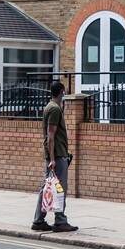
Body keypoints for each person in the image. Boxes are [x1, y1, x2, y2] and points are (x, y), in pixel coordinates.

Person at [31, 81, 78, 233]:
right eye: (65, 93)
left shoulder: (51, 107)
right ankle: (60, 221)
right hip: (57, 155)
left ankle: (39, 221)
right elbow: (51, 135)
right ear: (62, 92)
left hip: (57, 154)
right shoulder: (54, 109)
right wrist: (52, 159)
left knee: (47, 188)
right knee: (60, 188)